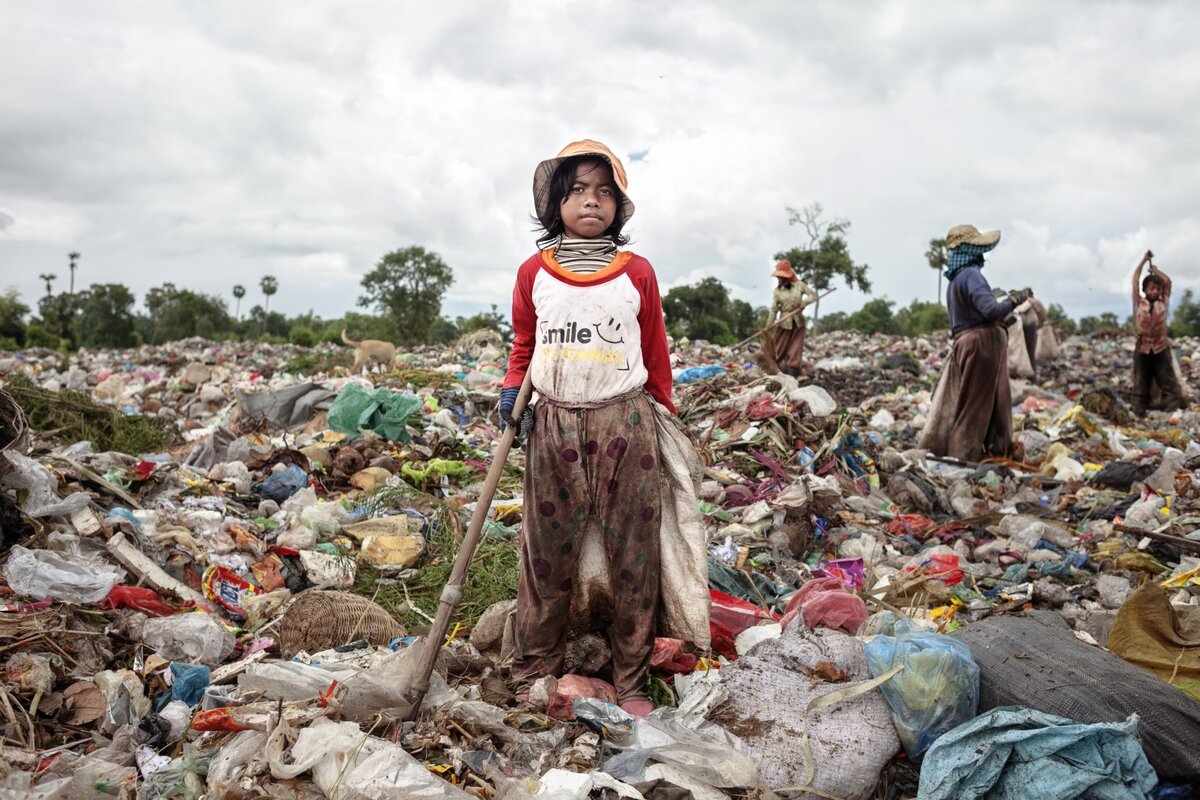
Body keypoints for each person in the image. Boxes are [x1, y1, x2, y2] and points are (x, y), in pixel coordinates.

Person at [498, 140, 705, 718]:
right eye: (577, 191)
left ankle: (632, 679)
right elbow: (525, 345)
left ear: (619, 205)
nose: (591, 201)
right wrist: (512, 393)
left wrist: (666, 415)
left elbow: (655, 351)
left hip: (624, 420)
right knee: (546, 557)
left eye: (604, 191)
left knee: (633, 556)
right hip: (553, 425)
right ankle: (535, 669)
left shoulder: (637, 273)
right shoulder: (534, 273)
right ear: (555, 204)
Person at [920, 224, 1025, 462]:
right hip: (981, 345)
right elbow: (990, 310)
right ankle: (962, 458)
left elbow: (971, 316)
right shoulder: (971, 275)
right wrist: (1015, 299)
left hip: (971, 343)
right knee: (975, 407)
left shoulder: (956, 280)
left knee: (997, 402)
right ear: (971, 250)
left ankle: (996, 454)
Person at [1131, 250, 1183, 415]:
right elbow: (1135, 280)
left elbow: (1167, 281)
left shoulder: (1163, 302)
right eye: (1151, 288)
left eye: (1157, 289)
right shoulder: (1139, 303)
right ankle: (1139, 412)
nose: (1155, 292)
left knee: (1166, 380)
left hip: (1160, 347)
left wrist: (1155, 271)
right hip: (1143, 347)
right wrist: (1143, 261)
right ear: (1145, 290)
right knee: (1141, 381)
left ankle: (1171, 410)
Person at [767, 259, 817, 376]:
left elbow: (812, 295)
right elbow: (774, 309)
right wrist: (769, 324)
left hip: (798, 322)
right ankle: (774, 372)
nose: (780, 279)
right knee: (778, 349)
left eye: (782, 277)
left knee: (795, 350)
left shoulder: (799, 286)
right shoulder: (777, 291)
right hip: (784, 322)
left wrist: (804, 303)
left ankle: (793, 374)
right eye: (779, 277)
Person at [1022, 287, 1048, 376]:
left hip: (1023, 328)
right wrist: (1039, 324)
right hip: (1031, 327)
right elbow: (1043, 315)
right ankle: (1031, 372)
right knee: (1031, 350)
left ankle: (1028, 372)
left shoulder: (1027, 301)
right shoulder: (1035, 302)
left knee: (1025, 350)